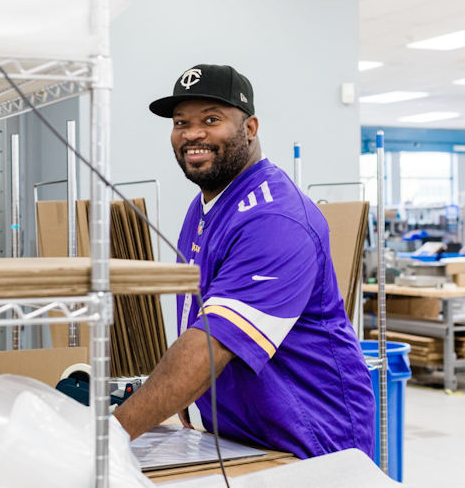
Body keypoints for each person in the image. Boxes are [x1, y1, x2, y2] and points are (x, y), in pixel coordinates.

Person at [113, 65, 375, 462]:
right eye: (180, 122)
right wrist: (186, 393)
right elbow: (200, 316)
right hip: (247, 435)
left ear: (250, 127)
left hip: (313, 442)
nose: (192, 133)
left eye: (211, 120)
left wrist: (108, 435)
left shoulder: (276, 218)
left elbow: (214, 342)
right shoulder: (206, 207)